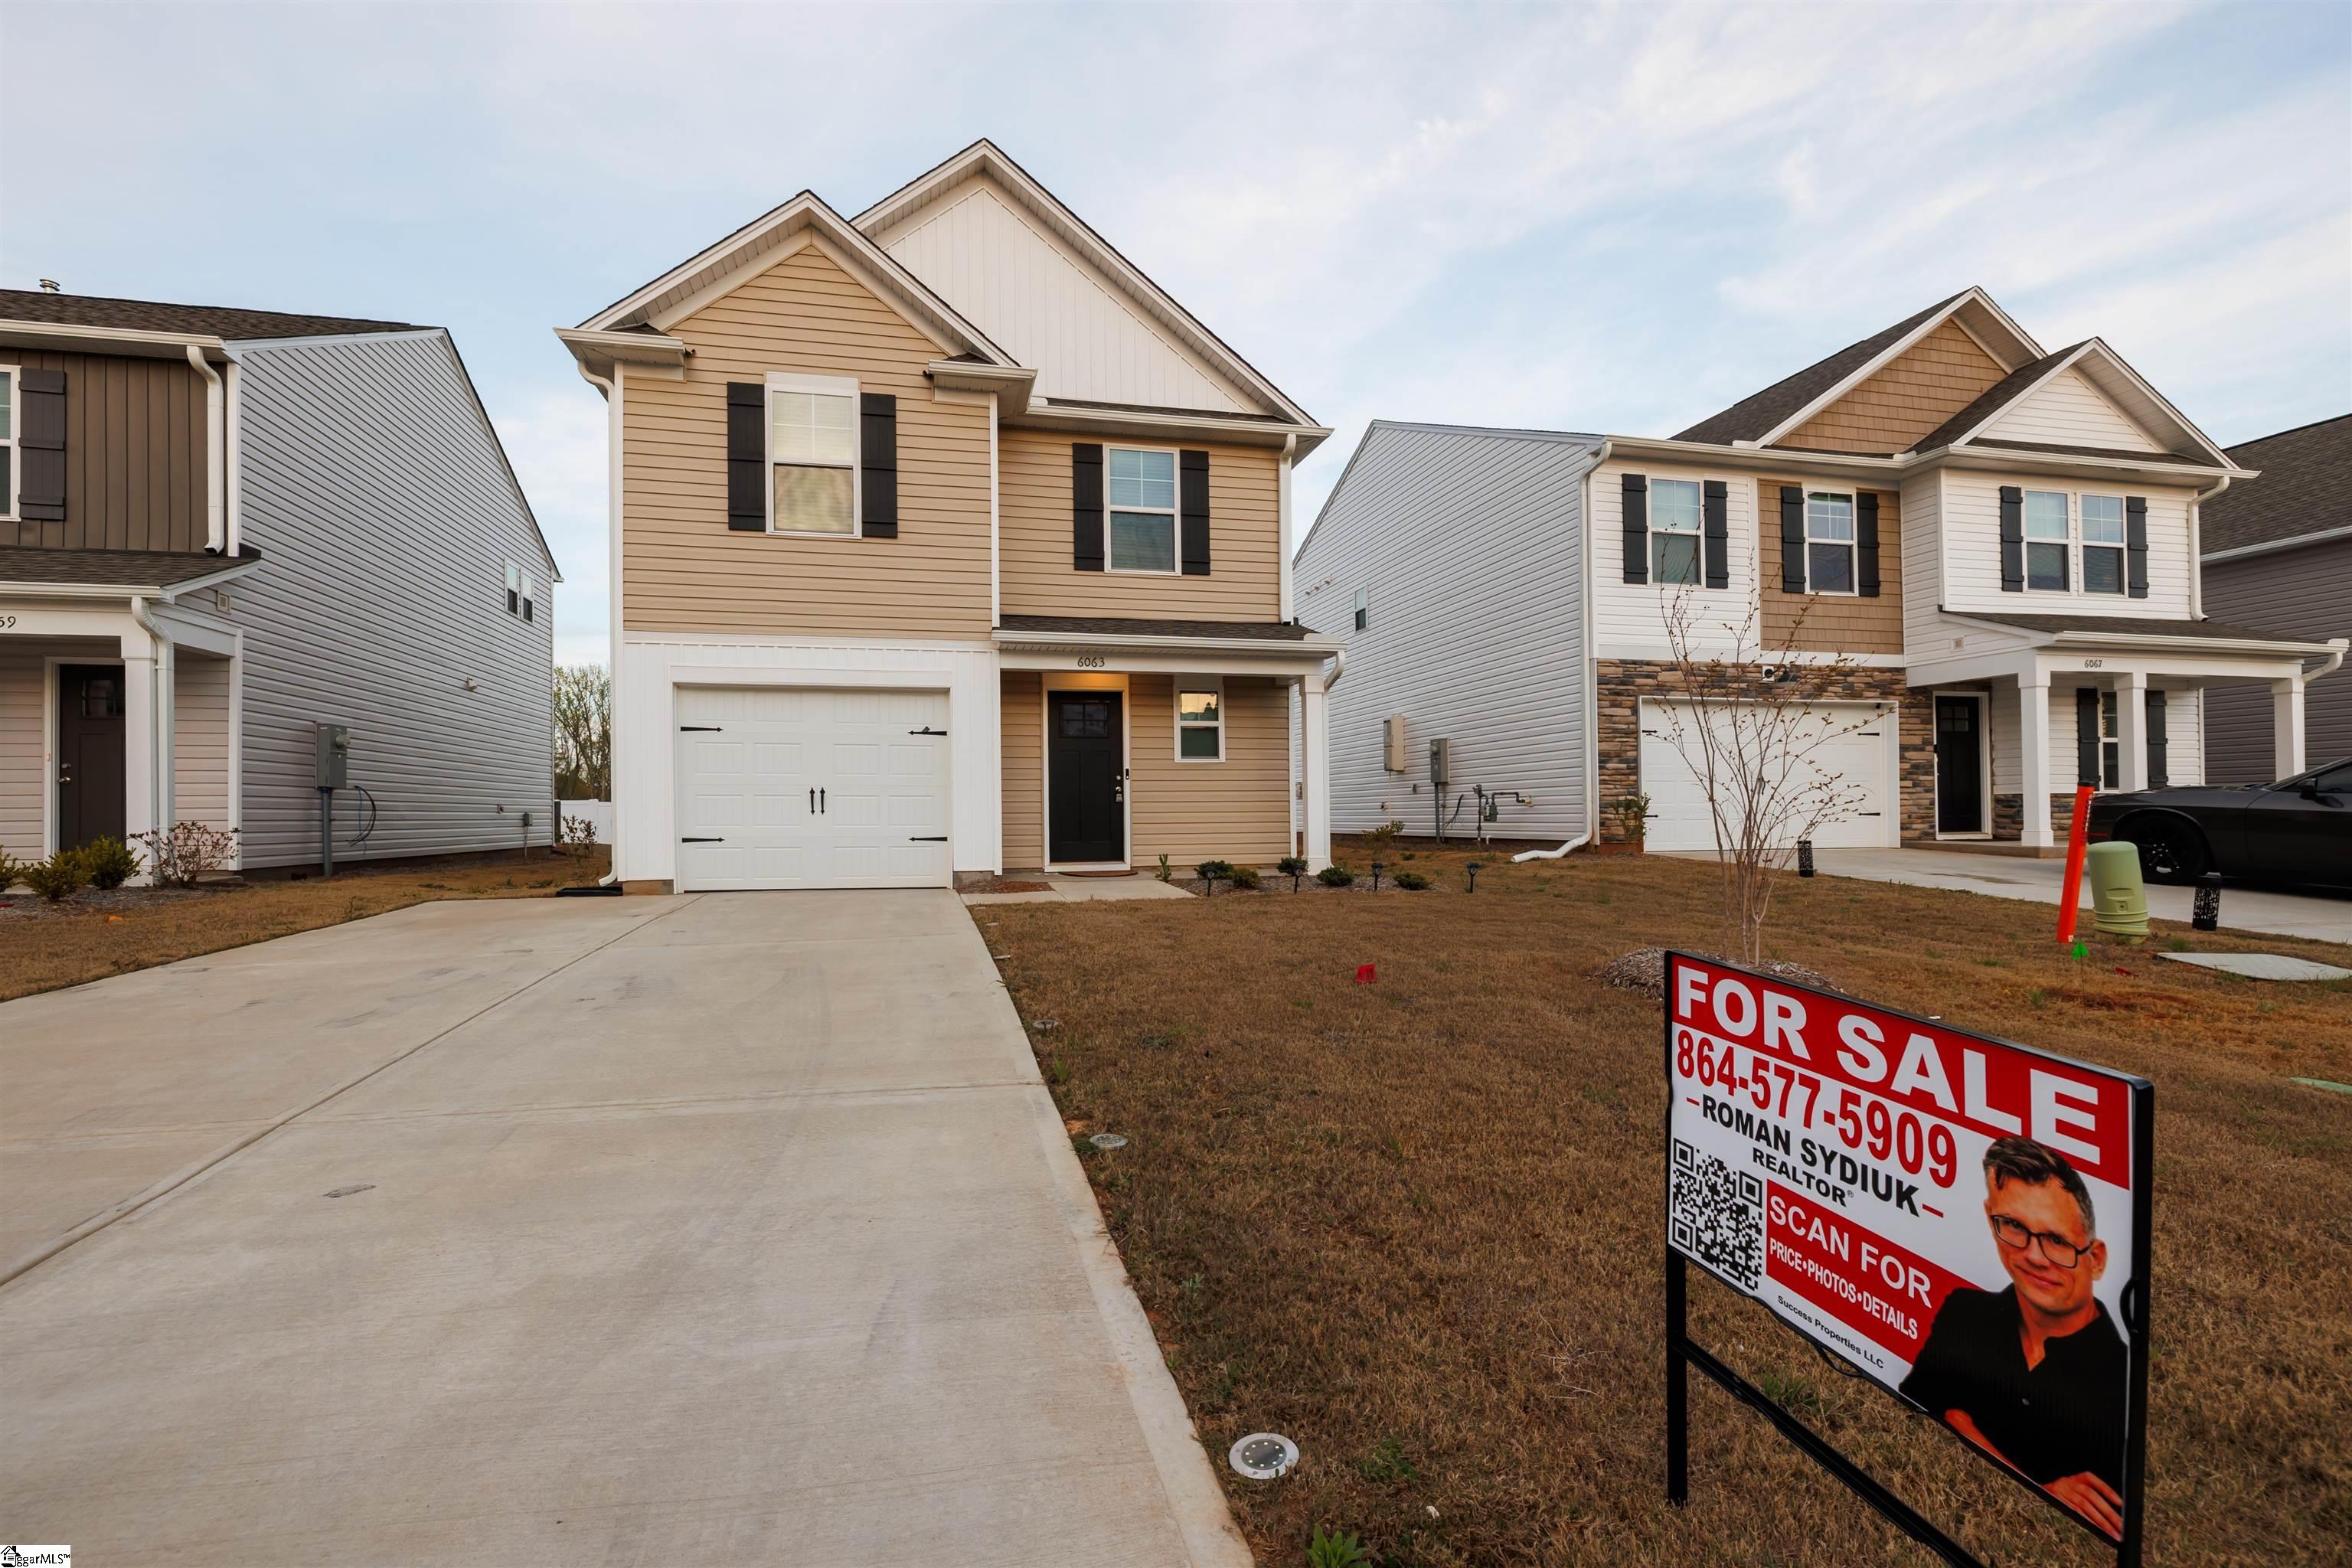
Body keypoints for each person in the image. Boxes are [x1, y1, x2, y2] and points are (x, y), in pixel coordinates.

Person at [1899, 1136, 2128, 1540]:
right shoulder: (1964, 1313)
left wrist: (1963, 1419)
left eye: (2057, 1240)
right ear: (1991, 1220)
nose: (2034, 1256)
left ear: (2096, 1259)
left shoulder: (2122, 1382)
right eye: (2014, 1227)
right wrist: (2042, 1487)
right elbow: (1925, 1401)